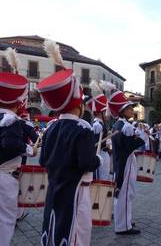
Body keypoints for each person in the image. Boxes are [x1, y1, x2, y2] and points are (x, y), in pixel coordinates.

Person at [38, 40, 101, 245]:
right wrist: (97, 158)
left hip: (54, 189)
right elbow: (86, 163)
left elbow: (42, 161)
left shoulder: (51, 128)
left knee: (54, 230)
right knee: (77, 232)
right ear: (79, 105)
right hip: (76, 191)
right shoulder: (82, 129)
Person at [0, 47, 36, 246]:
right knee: (5, 223)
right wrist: (29, 149)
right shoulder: (10, 119)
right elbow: (11, 143)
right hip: (4, 177)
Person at [105, 85, 145, 234]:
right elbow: (129, 146)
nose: (132, 110)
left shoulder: (120, 124)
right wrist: (141, 137)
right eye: (129, 108)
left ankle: (125, 221)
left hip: (123, 161)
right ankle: (123, 226)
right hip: (125, 162)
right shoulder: (124, 125)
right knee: (125, 193)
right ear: (122, 110)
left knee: (124, 193)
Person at [87, 81, 112, 180]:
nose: (108, 114)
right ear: (100, 112)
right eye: (106, 111)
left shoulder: (101, 124)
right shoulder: (98, 125)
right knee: (101, 179)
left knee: (104, 177)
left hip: (104, 154)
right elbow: (95, 144)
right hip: (100, 155)